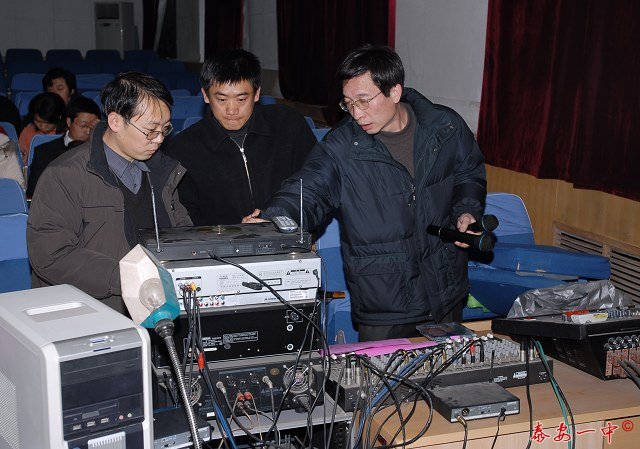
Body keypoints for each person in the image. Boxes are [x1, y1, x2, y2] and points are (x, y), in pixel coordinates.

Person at [244, 45, 487, 342]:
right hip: (384, 301)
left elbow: (468, 172)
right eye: (348, 103)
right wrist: (274, 219)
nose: (357, 113)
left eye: (363, 101)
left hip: (445, 289)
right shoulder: (341, 147)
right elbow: (307, 190)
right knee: (381, 374)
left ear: (394, 91)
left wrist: (467, 210)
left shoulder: (445, 126)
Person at [27, 72, 193, 314]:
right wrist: (128, 277)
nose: (158, 139)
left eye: (165, 129)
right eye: (150, 130)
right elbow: (51, 255)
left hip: (160, 303)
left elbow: (181, 231)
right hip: (97, 312)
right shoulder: (64, 175)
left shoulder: (162, 170)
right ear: (115, 122)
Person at [163, 49, 316, 225]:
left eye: (241, 99)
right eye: (222, 100)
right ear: (206, 95)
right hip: (221, 241)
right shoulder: (183, 149)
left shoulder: (288, 124)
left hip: (289, 232)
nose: (232, 110)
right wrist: (235, 230)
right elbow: (185, 218)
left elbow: (314, 185)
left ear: (256, 94)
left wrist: (280, 218)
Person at [27, 96, 101, 197]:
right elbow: (34, 192)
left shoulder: (101, 151)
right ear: (69, 122)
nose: (88, 132)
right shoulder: (44, 152)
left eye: (92, 127)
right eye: (84, 126)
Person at [18, 92, 66, 165]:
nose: (43, 126)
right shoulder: (28, 131)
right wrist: (23, 160)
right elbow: (21, 155)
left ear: (59, 117)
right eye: (38, 121)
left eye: (48, 123)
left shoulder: (69, 133)